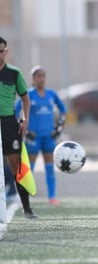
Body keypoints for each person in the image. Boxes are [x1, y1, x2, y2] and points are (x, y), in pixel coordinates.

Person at [16, 65, 66, 206]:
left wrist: (59, 126)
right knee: (29, 168)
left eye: (43, 75)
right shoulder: (28, 95)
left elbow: (63, 110)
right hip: (33, 137)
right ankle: (25, 198)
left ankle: (52, 197)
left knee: (50, 168)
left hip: (49, 137)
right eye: (38, 76)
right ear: (33, 78)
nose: (41, 79)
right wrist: (22, 126)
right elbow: (16, 110)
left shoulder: (51, 94)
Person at [0, 36, 35, 218]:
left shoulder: (14, 73)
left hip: (8, 122)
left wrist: (25, 119)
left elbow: (25, 98)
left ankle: (27, 208)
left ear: (6, 51)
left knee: (15, 164)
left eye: (1, 51)